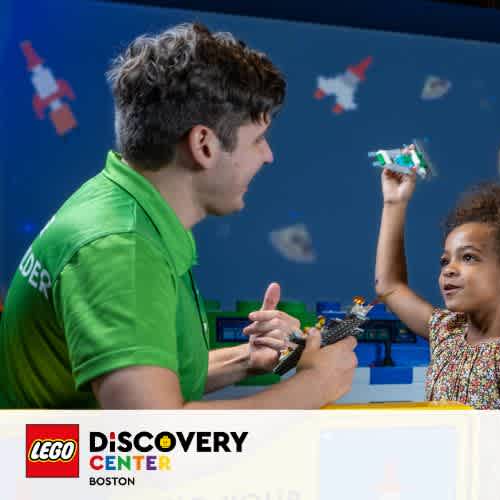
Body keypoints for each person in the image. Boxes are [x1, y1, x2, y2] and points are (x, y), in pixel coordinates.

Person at [0, 23, 357, 409]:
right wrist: (315, 388)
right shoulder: (121, 249)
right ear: (203, 144)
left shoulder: (118, 210)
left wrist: (246, 359)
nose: (268, 156)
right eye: (257, 140)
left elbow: (147, 380)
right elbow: (153, 437)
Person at [374, 169, 500, 409]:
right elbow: (389, 286)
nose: (449, 270)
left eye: (469, 257)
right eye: (445, 260)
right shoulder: (447, 332)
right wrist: (394, 203)